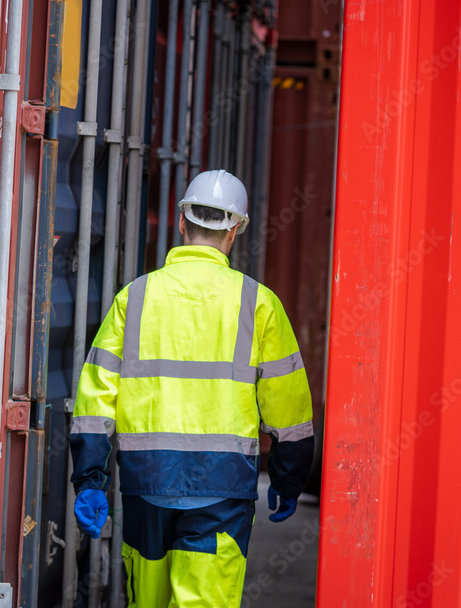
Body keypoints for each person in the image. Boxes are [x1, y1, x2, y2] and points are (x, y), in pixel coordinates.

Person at [69, 169, 315, 607]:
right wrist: (289, 475)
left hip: (147, 483)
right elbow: (288, 404)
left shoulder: (136, 297)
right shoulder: (258, 303)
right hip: (222, 488)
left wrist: (90, 478)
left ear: (181, 222)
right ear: (235, 229)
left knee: (149, 600)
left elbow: (95, 396)